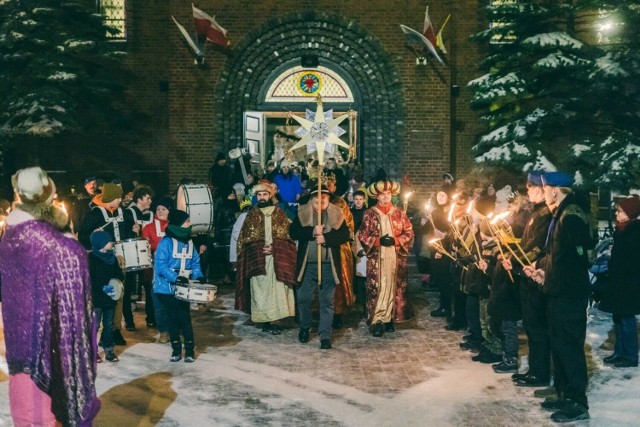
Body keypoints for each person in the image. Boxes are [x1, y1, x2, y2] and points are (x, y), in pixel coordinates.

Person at [0, 166, 100, 426]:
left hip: (19, 346)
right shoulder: (58, 246)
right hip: (52, 352)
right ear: (49, 194)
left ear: (18, 195)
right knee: (46, 415)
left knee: (26, 412)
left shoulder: (10, 237)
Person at [524, 171, 592, 423]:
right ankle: (564, 393)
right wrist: (544, 273)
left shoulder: (570, 214)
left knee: (569, 346)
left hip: (569, 294)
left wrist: (556, 276)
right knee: (558, 344)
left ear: (554, 190)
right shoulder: (560, 214)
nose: (544, 191)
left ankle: (577, 401)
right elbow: (556, 255)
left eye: (546, 187)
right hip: (557, 290)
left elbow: (580, 256)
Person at [505, 172, 553, 387]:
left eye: (531, 188)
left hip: (535, 276)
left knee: (537, 329)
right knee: (532, 328)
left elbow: (537, 246)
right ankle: (535, 369)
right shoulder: (537, 212)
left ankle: (540, 373)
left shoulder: (544, 215)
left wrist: (520, 262)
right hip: (528, 275)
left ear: (541, 190)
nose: (527, 191)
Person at [289, 184, 350, 350]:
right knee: (304, 298)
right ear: (311, 199)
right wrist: (312, 232)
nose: (320, 200)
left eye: (324, 196)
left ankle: (325, 335)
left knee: (326, 301)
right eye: (317, 197)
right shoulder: (302, 212)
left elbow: (345, 235)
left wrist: (327, 239)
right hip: (307, 266)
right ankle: (305, 327)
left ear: (328, 198)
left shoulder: (337, 213)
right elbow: (293, 232)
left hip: (328, 265)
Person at [235, 182, 297, 334]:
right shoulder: (251, 215)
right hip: (258, 259)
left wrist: (275, 248)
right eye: (259, 194)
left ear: (270, 195)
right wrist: (257, 249)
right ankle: (265, 321)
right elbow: (244, 240)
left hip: (276, 259)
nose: (262, 197)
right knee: (260, 289)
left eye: (265, 194)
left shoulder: (280, 213)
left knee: (277, 289)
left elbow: (288, 238)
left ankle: (275, 320)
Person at [78, 182, 135, 346]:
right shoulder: (95, 214)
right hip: (101, 261)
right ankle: (101, 331)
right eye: (118, 197)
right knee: (102, 297)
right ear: (111, 198)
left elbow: (126, 230)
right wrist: (93, 238)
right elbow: (83, 236)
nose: (120, 200)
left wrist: (133, 230)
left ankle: (114, 330)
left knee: (119, 293)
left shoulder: (121, 212)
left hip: (119, 259)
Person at [359, 180, 415, 337]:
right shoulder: (370, 213)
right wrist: (377, 241)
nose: (386, 197)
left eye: (388, 194)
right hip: (378, 258)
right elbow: (362, 234)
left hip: (395, 258)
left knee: (393, 287)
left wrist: (397, 241)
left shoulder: (399, 213)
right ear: (377, 196)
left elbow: (409, 232)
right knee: (379, 288)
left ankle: (390, 318)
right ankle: (377, 320)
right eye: (383, 194)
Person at [153, 209, 206, 362]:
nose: (190, 223)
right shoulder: (166, 242)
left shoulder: (189, 241)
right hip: (166, 287)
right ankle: (176, 349)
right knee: (172, 317)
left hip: (183, 287)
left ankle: (189, 349)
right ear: (179, 223)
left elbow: (195, 262)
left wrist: (199, 276)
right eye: (187, 221)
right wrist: (175, 277)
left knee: (184, 317)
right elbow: (161, 266)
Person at [598, 195, 640, 368]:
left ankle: (630, 355)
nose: (617, 213)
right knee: (618, 317)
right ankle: (619, 351)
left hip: (629, 283)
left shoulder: (635, 232)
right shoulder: (622, 229)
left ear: (630, 213)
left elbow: (633, 261)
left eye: (620, 211)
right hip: (618, 281)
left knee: (626, 318)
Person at [142, 196, 175, 343]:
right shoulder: (148, 227)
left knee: (174, 301)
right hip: (155, 269)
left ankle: (176, 329)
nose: (160, 211)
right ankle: (163, 330)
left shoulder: (175, 226)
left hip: (173, 268)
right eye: (158, 209)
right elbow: (145, 246)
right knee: (158, 302)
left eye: (164, 209)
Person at [123, 185, 155, 331]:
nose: (150, 201)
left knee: (149, 287)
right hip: (131, 255)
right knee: (128, 287)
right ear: (139, 199)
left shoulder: (151, 214)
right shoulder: (128, 213)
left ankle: (151, 318)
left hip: (146, 256)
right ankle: (129, 321)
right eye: (148, 198)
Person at [89, 230, 125, 363]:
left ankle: (109, 350)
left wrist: (116, 282)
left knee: (109, 325)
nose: (111, 243)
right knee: (95, 325)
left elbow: (118, 274)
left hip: (110, 297)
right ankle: (92, 352)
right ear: (101, 243)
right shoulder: (91, 258)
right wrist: (102, 287)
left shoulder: (112, 258)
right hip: (97, 298)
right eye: (109, 241)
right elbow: (90, 279)